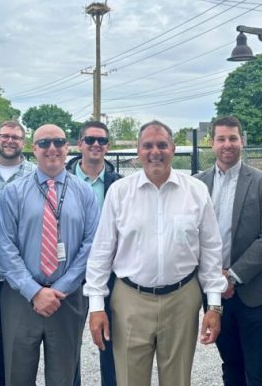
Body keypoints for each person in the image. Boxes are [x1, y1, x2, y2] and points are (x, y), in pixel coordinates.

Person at [84, 120, 227, 386]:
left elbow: (210, 250)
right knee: (129, 379)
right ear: (138, 151)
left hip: (182, 300)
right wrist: (96, 307)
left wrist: (214, 305)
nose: (155, 152)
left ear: (173, 148)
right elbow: (101, 252)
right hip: (129, 300)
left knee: (178, 380)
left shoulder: (196, 191)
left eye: (162, 145)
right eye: (147, 145)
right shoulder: (119, 192)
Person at [0, 124, 99, 386]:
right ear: (34, 149)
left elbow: (91, 244)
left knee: (64, 375)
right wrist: (34, 291)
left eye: (58, 142)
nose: (51, 148)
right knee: (17, 374)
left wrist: (62, 287)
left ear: (67, 147)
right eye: (44, 143)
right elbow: (5, 246)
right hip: (20, 297)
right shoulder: (14, 192)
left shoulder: (84, 192)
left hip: (68, 297)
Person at [195, 116, 262, 386]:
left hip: (251, 291)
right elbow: (190, 237)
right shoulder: (197, 184)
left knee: (257, 368)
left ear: (241, 141)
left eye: (233, 138)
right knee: (230, 364)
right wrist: (215, 280)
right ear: (212, 143)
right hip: (214, 292)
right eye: (221, 139)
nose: (227, 144)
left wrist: (231, 276)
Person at [0, 120, 35, 386]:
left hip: (17, 277)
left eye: (16, 137)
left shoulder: (35, 175)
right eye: (5, 136)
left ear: (23, 142)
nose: (10, 141)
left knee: (13, 345)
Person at [65, 120, 122, 386]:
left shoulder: (119, 185)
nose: (96, 145)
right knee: (68, 343)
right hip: (69, 272)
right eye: (90, 140)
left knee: (110, 341)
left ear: (108, 147)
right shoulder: (61, 182)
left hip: (108, 273)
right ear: (80, 144)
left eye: (101, 141)